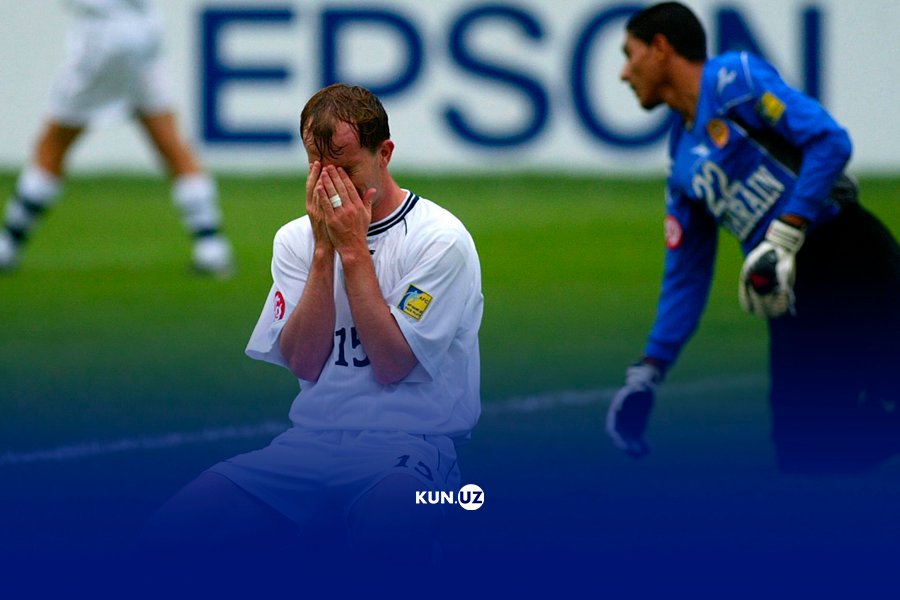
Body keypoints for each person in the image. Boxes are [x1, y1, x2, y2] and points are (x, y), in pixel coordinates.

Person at [139, 83, 483, 570]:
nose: (330, 186)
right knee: (169, 535)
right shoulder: (295, 239)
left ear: (384, 154)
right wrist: (324, 251)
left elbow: (392, 364)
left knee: (389, 533)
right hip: (310, 444)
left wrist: (352, 250)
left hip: (412, 448)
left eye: (346, 168)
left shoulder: (439, 240)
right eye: (318, 168)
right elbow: (302, 361)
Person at [605, 2, 900, 473]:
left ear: (660, 48)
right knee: (803, 451)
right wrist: (648, 371)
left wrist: (787, 229)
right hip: (788, 288)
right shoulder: (682, 161)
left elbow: (830, 142)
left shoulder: (733, 81)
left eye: (629, 54)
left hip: (845, 252)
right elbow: (685, 275)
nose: (624, 73)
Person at [0, 0, 233, 276]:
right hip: (144, 33)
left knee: (53, 143)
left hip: (103, 36)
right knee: (168, 140)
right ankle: (212, 246)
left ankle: (8, 245)